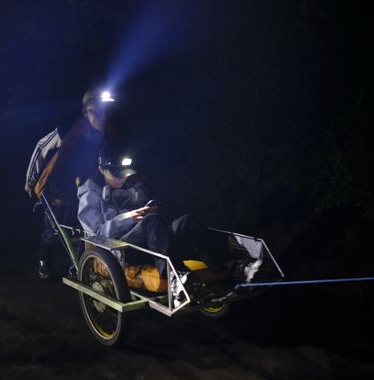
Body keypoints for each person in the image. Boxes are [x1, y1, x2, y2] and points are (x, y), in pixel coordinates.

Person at [77, 154, 235, 280]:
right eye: (117, 174)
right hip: (119, 249)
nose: (122, 178)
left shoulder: (126, 188)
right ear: (101, 169)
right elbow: (96, 234)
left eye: (124, 174)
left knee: (185, 221)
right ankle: (172, 276)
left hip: (147, 237)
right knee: (150, 221)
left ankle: (225, 263)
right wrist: (128, 217)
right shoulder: (89, 197)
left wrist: (145, 205)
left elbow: (145, 211)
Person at [24, 86, 122, 279]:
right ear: (86, 112)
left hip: (84, 189)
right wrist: (30, 180)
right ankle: (45, 260)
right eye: (98, 111)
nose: (102, 116)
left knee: (83, 228)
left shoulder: (106, 137)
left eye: (106, 111)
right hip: (56, 189)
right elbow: (41, 148)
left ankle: (77, 264)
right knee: (54, 230)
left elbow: (107, 163)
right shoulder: (69, 130)